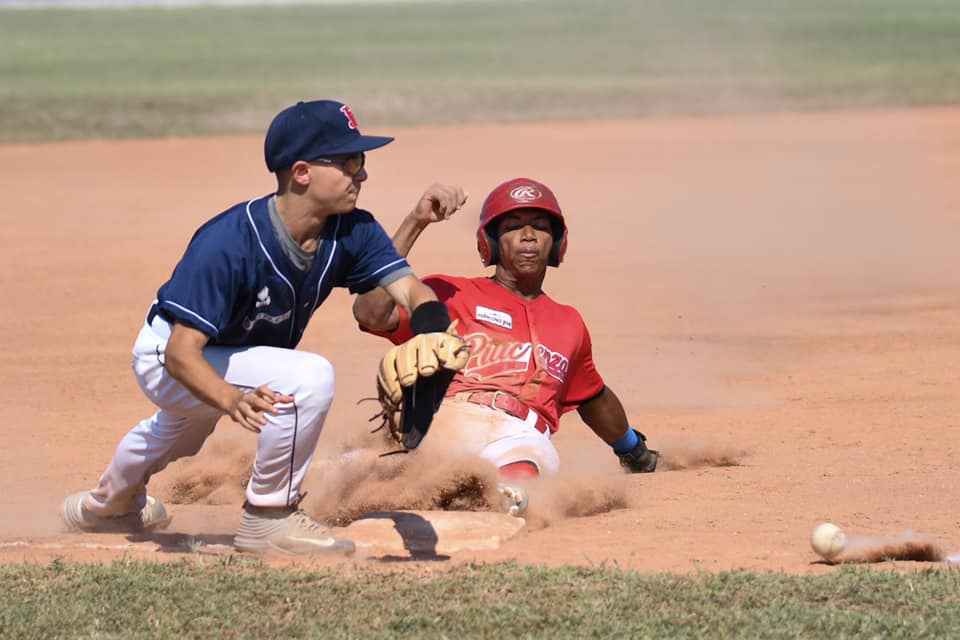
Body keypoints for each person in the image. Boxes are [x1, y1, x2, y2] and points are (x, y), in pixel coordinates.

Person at [61, 100, 469, 555]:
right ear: (301, 173)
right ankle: (268, 517)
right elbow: (181, 352)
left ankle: (105, 506)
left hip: (228, 356)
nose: (362, 173)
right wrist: (230, 399)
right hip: (169, 357)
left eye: (363, 161)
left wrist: (432, 331)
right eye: (349, 161)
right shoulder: (228, 241)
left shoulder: (352, 230)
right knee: (307, 377)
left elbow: (411, 292)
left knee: (180, 435)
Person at [353, 177, 658, 516]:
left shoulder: (568, 322)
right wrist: (416, 221)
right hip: (442, 416)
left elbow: (592, 396)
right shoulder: (448, 291)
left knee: (526, 462)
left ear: (557, 242)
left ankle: (474, 498)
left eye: (540, 227)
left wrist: (633, 450)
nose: (528, 236)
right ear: (491, 243)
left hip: (515, 434)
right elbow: (371, 312)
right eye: (513, 227)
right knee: (354, 471)